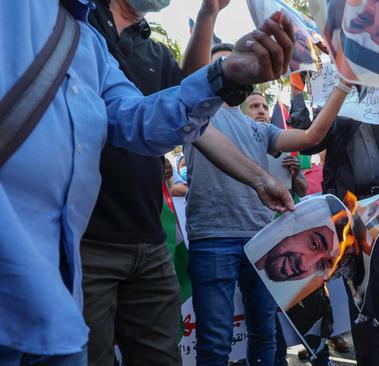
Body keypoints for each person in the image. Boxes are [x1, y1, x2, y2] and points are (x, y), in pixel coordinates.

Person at [0, 1, 297, 364]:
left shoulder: (88, 43)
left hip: (134, 240)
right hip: (78, 248)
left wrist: (227, 76)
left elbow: (151, 117)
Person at [81, 1, 229, 364]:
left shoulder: (155, 52)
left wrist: (209, 13)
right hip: (82, 241)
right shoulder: (77, 26)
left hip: (148, 240)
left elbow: (182, 106)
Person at [184, 61, 351, 365]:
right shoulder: (194, 112)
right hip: (212, 240)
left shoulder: (260, 130)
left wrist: (344, 84)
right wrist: (209, 12)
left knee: (265, 335)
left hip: (261, 241)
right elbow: (190, 69)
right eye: (219, 66)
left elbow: (312, 137)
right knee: (214, 342)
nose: (230, 73)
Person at [296, 90, 379, 365]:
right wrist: (300, 88)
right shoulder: (330, 96)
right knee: (362, 305)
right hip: (353, 217)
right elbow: (306, 140)